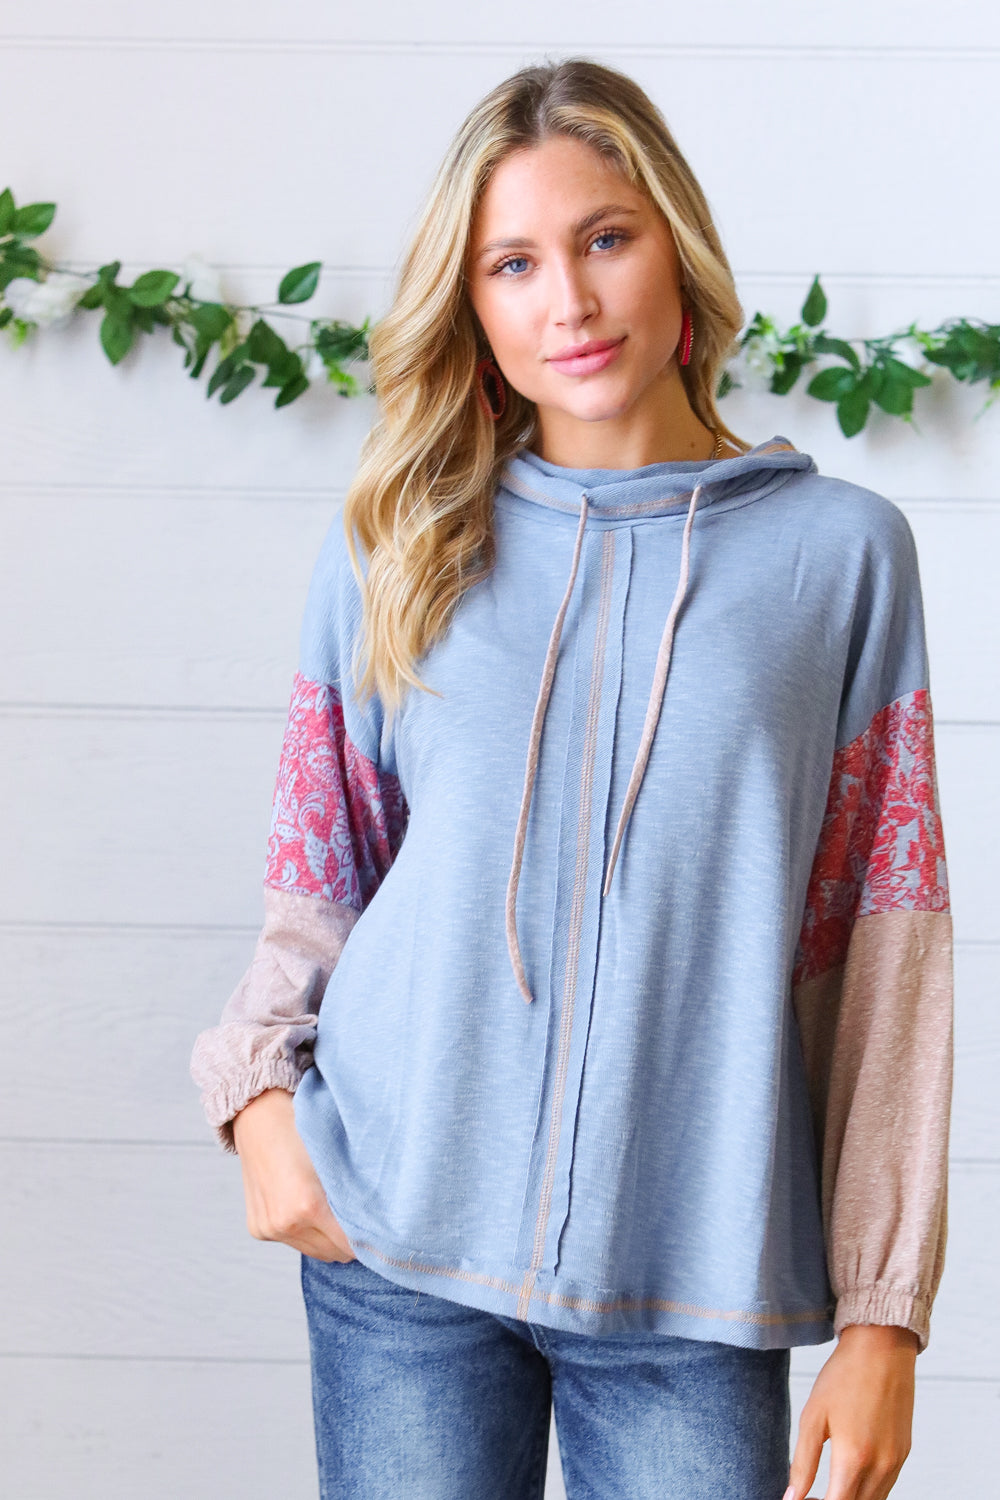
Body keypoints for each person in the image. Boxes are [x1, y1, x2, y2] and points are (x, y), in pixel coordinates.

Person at [190, 57, 953, 1500]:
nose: (572, 301)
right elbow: (321, 875)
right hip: (394, 1243)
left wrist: (883, 1312)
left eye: (606, 238)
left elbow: (883, 950)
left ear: (678, 247)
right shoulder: (398, 545)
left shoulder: (840, 558)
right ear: (473, 306)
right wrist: (259, 1109)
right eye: (515, 264)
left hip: (694, 1280)